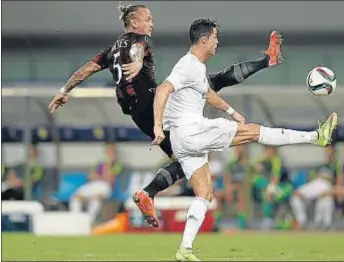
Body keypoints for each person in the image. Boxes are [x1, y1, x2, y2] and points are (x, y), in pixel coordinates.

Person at [48, 3, 284, 228]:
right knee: (210, 82)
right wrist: (139, 62)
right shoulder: (139, 39)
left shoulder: (110, 51)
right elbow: (138, 47)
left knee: (185, 159)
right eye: (147, 19)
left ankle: (147, 193)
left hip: (137, 113)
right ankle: (267, 60)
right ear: (134, 22)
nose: (151, 24)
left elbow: (86, 69)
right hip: (153, 102)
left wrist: (64, 90)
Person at [152, 18, 338, 260]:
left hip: (182, 139)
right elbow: (162, 89)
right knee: (254, 132)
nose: (217, 42)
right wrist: (157, 125)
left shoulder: (196, 68)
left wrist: (231, 112)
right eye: (215, 37)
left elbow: (208, 94)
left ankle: (184, 249)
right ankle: (316, 137)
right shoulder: (187, 66)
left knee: (205, 194)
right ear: (204, 39)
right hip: (191, 131)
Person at [69, 142, 123, 224]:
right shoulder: (99, 164)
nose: (110, 153)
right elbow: (90, 176)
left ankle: (89, 222)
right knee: (75, 197)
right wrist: (99, 176)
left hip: (106, 187)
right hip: (94, 185)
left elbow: (109, 179)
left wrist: (108, 164)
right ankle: (76, 220)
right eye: (108, 150)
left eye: (112, 151)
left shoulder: (117, 165)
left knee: (96, 199)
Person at [290, 144, 337, 230]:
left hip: (327, 186)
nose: (328, 154)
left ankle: (325, 224)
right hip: (316, 185)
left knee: (326, 198)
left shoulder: (337, 166)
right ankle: (302, 220)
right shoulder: (320, 166)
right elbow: (312, 180)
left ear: (334, 153)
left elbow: (337, 182)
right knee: (295, 196)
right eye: (327, 151)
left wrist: (328, 180)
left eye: (330, 151)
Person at [252, 146, 292, 229]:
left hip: (285, 187)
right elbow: (255, 165)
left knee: (269, 194)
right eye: (267, 150)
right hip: (275, 186)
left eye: (270, 150)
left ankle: (277, 220)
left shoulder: (277, 160)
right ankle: (270, 219)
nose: (268, 152)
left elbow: (275, 178)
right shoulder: (264, 159)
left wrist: (269, 189)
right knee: (264, 191)